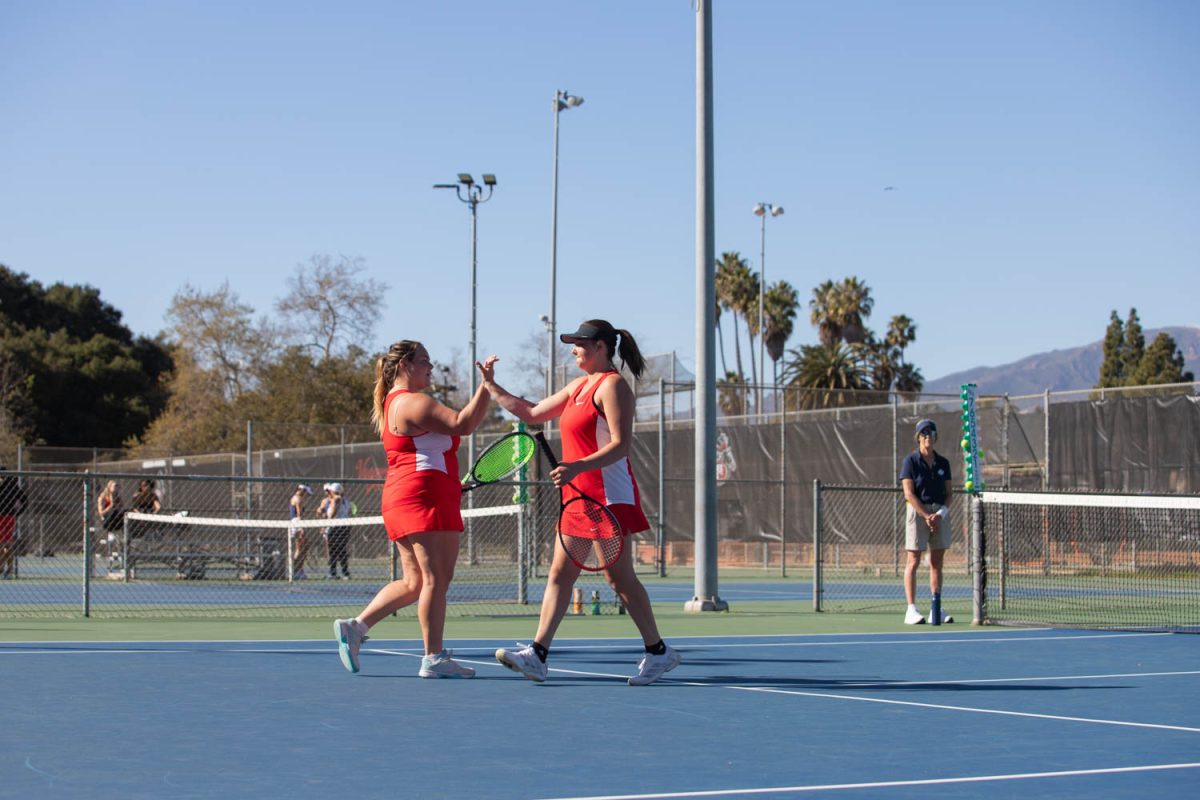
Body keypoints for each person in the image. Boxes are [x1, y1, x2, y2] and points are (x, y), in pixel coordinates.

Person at [487, 319, 681, 686]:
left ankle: (658, 652)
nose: (573, 349)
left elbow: (621, 445)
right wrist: (491, 386)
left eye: (579, 344)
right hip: (578, 496)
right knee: (560, 574)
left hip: (609, 497)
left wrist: (576, 466)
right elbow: (532, 413)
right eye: (573, 344)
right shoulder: (578, 386)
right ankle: (537, 654)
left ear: (601, 348)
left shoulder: (613, 387)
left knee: (618, 578)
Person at [334, 340, 496, 679]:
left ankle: (356, 628)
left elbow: (428, 451)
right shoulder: (413, 402)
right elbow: (462, 424)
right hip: (421, 496)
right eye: (424, 361)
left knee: (415, 582)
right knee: (436, 579)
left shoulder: (395, 402)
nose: (431, 367)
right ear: (405, 365)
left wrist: (450, 483)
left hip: (414, 493)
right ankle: (433, 657)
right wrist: (487, 386)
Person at [899, 419, 954, 625]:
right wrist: (926, 515)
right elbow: (909, 493)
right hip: (917, 512)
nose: (928, 436)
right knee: (913, 561)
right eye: (924, 433)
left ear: (936, 437)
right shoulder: (910, 462)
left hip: (939, 514)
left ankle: (935, 607)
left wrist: (940, 513)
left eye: (931, 432)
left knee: (936, 563)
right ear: (918, 437)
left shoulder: (943, 463)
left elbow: (949, 494)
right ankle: (911, 609)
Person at [0, 464, 27, 579]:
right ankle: (4, 569)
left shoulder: (11, 485)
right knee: (4, 544)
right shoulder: (12, 485)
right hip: (6, 516)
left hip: (8, 516)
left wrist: (17, 513)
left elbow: (24, 500)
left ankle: (8, 569)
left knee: (6, 544)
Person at [324, 482, 352, 580]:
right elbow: (349, 512)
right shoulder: (346, 500)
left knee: (333, 550)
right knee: (342, 550)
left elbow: (332, 513)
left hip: (336, 527)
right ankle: (345, 572)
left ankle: (333, 572)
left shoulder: (335, 499)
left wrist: (328, 521)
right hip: (345, 527)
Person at [288, 484, 313, 579]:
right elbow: (299, 515)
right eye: (306, 492)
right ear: (302, 490)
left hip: (297, 523)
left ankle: (298, 570)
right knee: (300, 547)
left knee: (304, 546)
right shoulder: (298, 499)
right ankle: (296, 571)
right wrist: (301, 528)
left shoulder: (297, 498)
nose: (306, 495)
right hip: (297, 523)